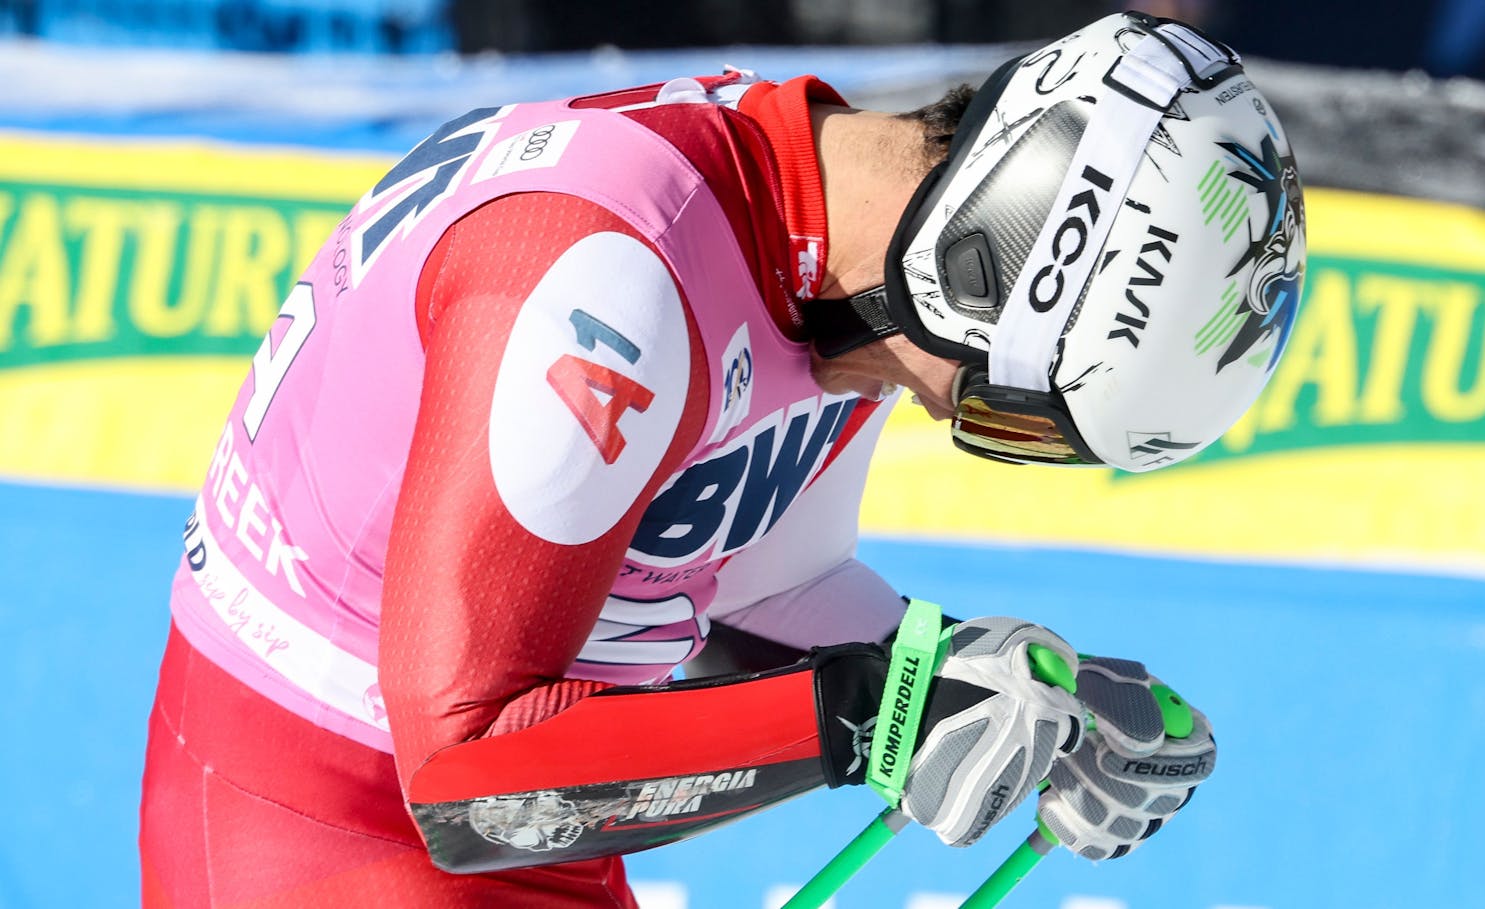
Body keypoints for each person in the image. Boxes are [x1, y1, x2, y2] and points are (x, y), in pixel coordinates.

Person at [139, 11, 1305, 908]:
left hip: (518, 818)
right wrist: (874, 719)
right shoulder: (615, 277)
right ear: (981, 261)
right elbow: (468, 783)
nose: (974, 432)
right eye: (1010, 419)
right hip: (331, 824)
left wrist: (1013, 685)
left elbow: (750, 589)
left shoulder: (846, 257)